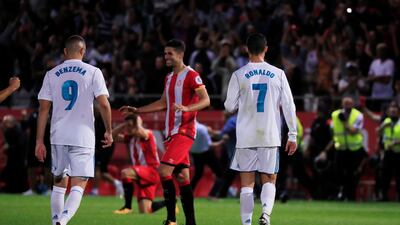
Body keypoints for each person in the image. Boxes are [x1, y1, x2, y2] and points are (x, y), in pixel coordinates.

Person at [120, 39, 210, 225]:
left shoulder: (192, 75)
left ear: (180, 54)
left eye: (169, 53)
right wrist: (138, 110)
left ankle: (171, 219)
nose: (165, 57)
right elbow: (163, 103)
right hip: (171, 134)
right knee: (182, 177)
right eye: (165, 53)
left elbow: (206, 100)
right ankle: (191, 222)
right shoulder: (169, 77)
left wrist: (187, 108)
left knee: (163, 171)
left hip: (184, 132)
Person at [35, 35, 113, 225]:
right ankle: (63, 220)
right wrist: (109, 130)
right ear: (83, 51)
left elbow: (44, 109)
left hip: (58, 135)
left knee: (59, 183)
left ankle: (56, 222)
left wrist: (39, 141)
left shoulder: (51, 74)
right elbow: (103, 104)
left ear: (64, 52)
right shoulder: (93, 72)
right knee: (79, 183)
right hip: (83, 136)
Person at [224, 33, 297, 225]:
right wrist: (293, 134)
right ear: (266, 49)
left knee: (247, 184)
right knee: (269, 179)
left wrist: (244, 99)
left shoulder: (238, 74)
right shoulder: (278, 73)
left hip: (246, 135)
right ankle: (265, 215)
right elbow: (289, 105)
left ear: (246, 49)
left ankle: (246, 223)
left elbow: (229, 106)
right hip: (269, 134)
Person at [112, 114, 166, 214]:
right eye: (126, 126)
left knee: (126, 173)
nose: (127, 128)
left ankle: (127, 207)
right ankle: (169, 202)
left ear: (136, 125)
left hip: (152, 171)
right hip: (142, 175)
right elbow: (112, 136)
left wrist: (138, 122)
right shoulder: (130, 138)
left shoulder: (147, 134)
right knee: (145, 211)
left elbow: (141, 132)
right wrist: (124, 125)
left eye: (129, 126)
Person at [317, 97, 367, 201]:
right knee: (338, 173)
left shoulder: (358, 115)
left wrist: (344, 122)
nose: (347, 105)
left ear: (353, 104)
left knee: (352, 174)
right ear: (342, 104)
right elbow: (333, 134)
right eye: (345, 103)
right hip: (340, 149)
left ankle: (351, 196)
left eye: (349, 103)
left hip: (355, 149)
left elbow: (353, 131)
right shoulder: (335, 115)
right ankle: (340, 194)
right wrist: (325, 151)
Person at [91, 107, 122, 197]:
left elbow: (110, 133)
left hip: (105, 147)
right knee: (102, 171)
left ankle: (95, 190)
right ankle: (117, 184)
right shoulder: (95, 120)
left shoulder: (102, 121)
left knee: (98, 169)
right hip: (102, 147)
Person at [190, 120, 223, 199]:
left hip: (195, 154)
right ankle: (212, 194)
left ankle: (188, 193)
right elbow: (210, 145)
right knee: (220, 174)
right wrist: (222, 141)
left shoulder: (189, 129)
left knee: (198, 175)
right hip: (206, 153)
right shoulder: (202, 129)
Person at [378, 103, 400, 201]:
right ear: (388, 112)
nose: (393, 111)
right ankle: (384, 196)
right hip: (388, 152)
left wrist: (396, 142)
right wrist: (383, 127)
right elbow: (378, 133)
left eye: (395, 110)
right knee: (385, 175)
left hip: (398, 152)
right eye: (391, 110)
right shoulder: (386, 121)